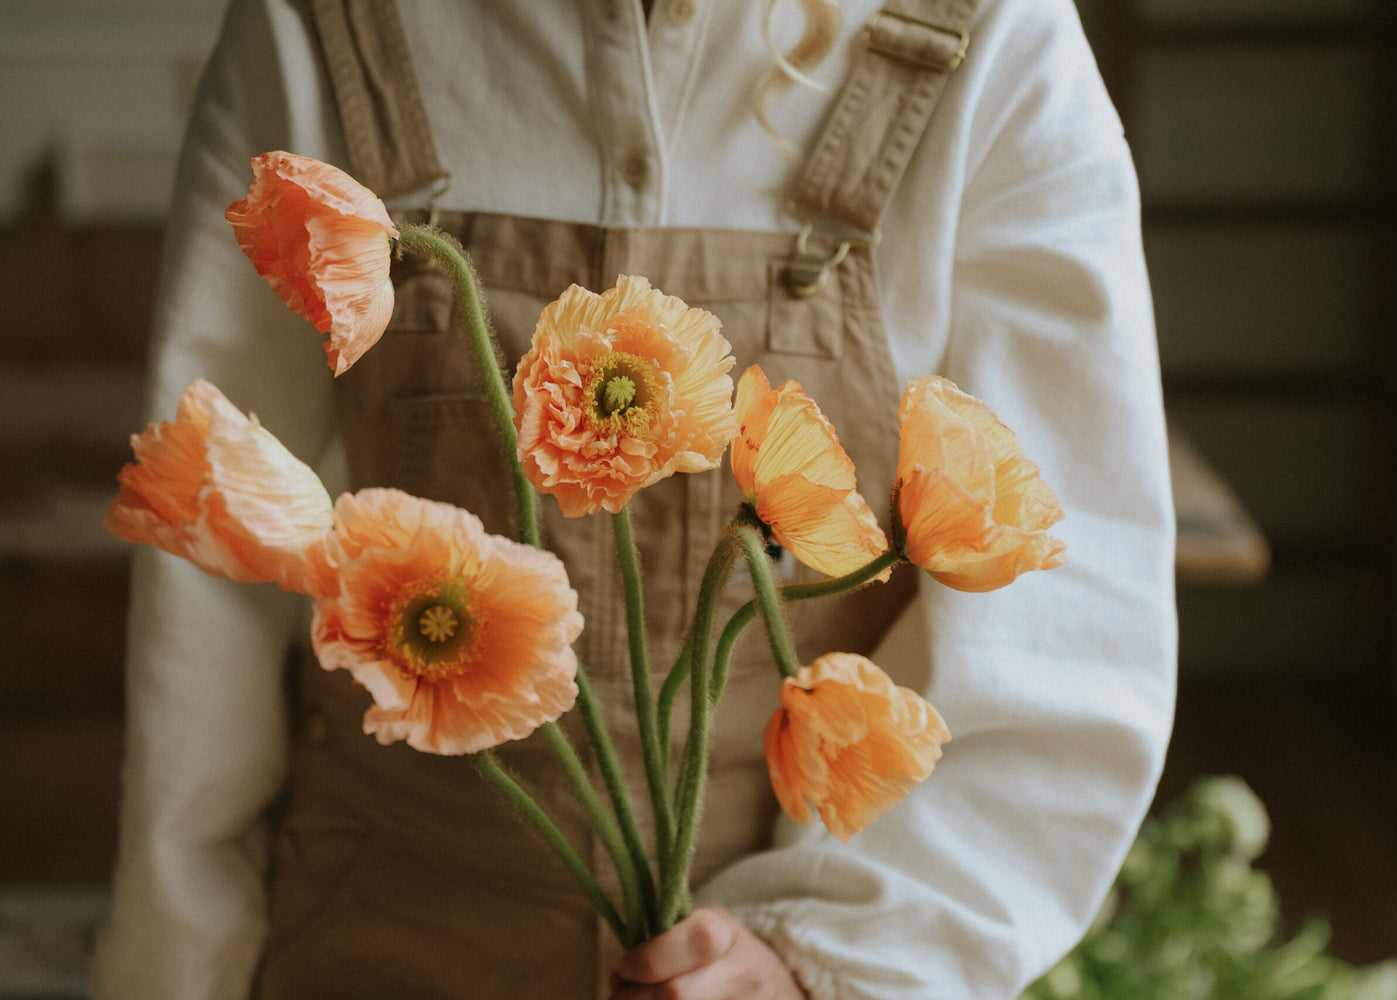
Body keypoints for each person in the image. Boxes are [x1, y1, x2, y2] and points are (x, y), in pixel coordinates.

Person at [91, 0, 1177, 997]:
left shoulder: (992, 37)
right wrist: (173, 969)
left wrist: (825, 959)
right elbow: (209, 569)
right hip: (380, 933)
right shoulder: (328, 26)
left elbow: (1069, 621)